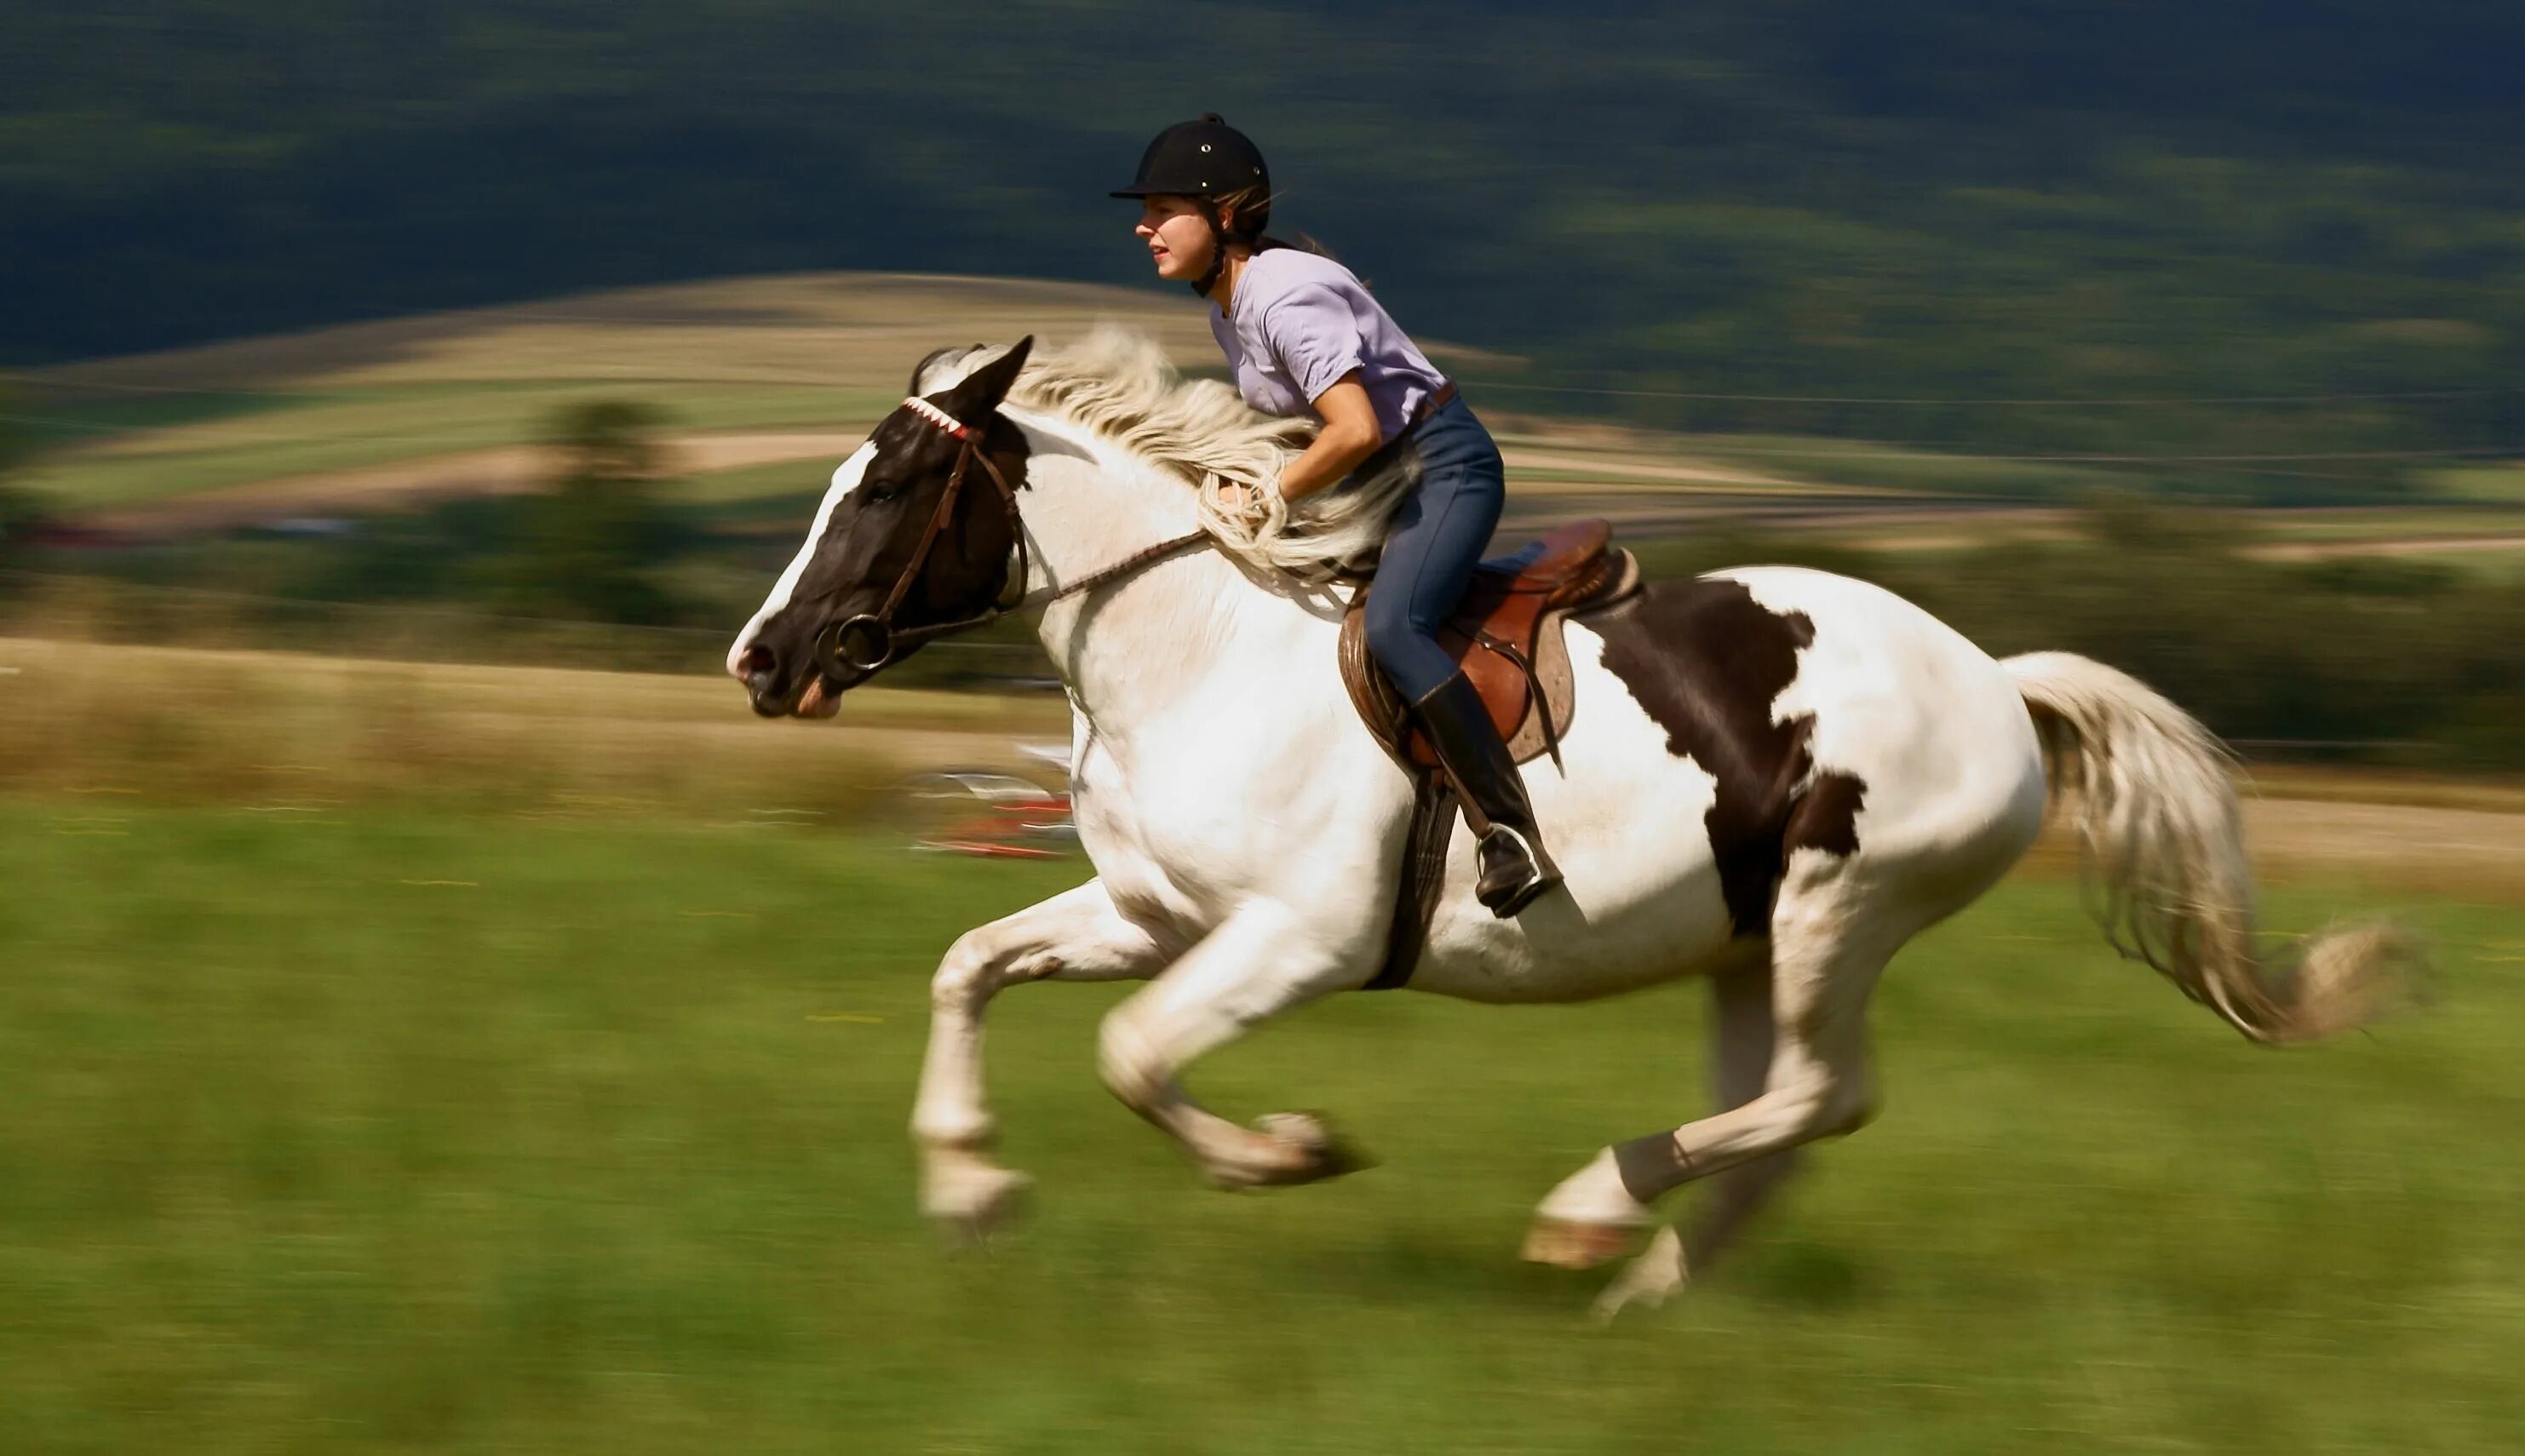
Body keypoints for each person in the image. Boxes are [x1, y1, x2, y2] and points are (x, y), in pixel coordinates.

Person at [1111, 114, 1560, 917]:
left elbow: (1353, 428)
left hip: (1439, 469)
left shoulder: (1281, 296)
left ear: (1222, 215)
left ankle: (1509, 832)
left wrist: (1272, 494)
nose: (1144, 226)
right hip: (1371, 481)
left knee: (1394, 630)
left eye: (1164, 208)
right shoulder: (1228, 302)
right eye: (1145, 210)